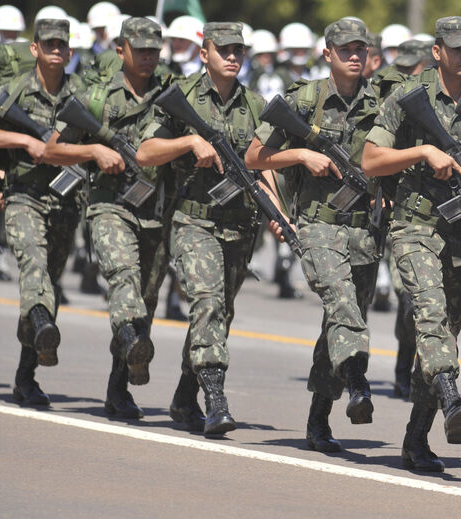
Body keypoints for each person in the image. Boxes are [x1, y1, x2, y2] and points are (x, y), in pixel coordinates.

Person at [360, 16, 461, 471]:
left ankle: (417, 436)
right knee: (431, 315)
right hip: (415, 228)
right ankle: (451, 395)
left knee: (444, 335)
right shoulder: (408, 96)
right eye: (457, 48)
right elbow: (371, 160)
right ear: (437, 51)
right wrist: (422, 152)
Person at [246, 18, 380, 452]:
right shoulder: (304, 100)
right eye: (346, 49)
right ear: (328, 54)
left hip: (364, 231)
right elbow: (253, 156)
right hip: (319, 226)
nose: (355, 55)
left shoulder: (380, 102)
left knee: (339, 321)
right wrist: (302, 153)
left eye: (361, 49)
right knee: (343, 303)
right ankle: (358, 381)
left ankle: (318, 417)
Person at [138, 22, 268, 437]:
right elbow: (145, 152)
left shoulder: (257, 105)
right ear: (204, 53)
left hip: (240, 226)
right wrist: (187, 144)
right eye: (224, 49)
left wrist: (279, 216)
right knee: (207, 303)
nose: (233, 56)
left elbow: (264, 169)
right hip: (194, 222)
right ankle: (216, 398)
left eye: (239, 50)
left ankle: (183, 394)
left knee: (219, 315)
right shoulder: (182, 98)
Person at [45, 17, 171, 420]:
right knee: (123, 277)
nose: (149, 57)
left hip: (156, 211)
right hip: (109, 204)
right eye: (141, 50)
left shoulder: (171, 93)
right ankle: (131, 340)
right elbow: (53, 149)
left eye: (155, 50)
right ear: (121, 50)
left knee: (145, 300)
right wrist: (94, 152)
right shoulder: (97, 96)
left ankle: (119, 387)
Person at [0, 18, 85, 406]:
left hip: (65, 202)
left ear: (69, 51)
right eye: (48, 43)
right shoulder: (14, 91)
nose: (55, 50)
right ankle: (42, 333)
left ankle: (25, 374)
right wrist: (26, 141)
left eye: (61, 45)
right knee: (33, 267)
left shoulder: (83, 95)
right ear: (34, 49)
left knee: (48, 285)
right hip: (23, 197)